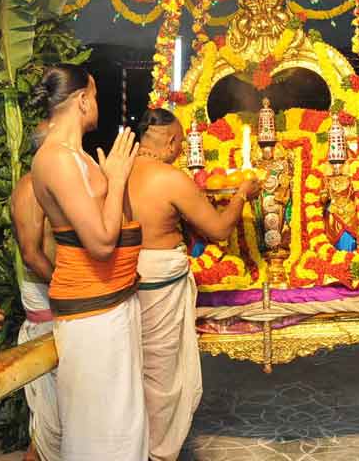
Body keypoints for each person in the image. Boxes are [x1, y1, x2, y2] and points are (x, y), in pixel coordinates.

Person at [127, 109, 260, 461]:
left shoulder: (117, 169)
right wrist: (242, 194)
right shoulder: (170, 178)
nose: (184, 148)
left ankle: (137, 444)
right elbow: (217, 230)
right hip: (160, 283)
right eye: (182, 141)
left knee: (136, 368)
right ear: (170, 141)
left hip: (126, 278)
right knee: (162, 375)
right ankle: (157, 452)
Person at [30, 65, 147, 460]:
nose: (97, 104)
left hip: (112, 302)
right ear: (82, 100)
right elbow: (99, 242)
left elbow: (116, 221)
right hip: (93, 312)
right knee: (100, 431)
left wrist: (116, 181)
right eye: (94, 97)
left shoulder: (78, 157)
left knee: (122, 423)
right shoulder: (58, 160)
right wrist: (114, 180)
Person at [9, 121, 61, 461]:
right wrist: (68, 289)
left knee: (62, 423)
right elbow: (31, 253)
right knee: (50, 430)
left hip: (59, 301)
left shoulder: (51, 183)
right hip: (48, 303)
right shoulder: (30, 187)